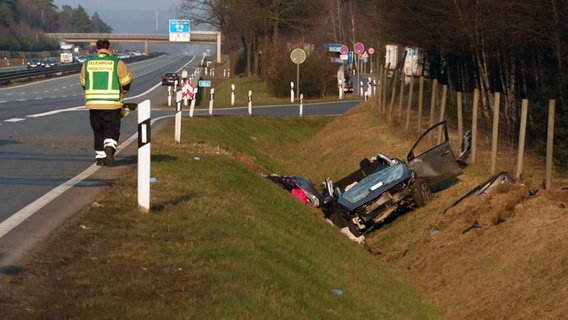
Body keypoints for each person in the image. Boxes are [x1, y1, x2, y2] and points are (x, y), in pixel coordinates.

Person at [80, 39, 132, 166]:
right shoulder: (116, 63)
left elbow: (83, 82)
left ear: (97, 49)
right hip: (112, 103)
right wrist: (122, 92)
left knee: (98, 130)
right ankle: (109, 147)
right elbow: (126, 81)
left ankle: (100, 157)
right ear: (109, 49)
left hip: (94, 103)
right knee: (111, 128)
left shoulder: (87, 63)